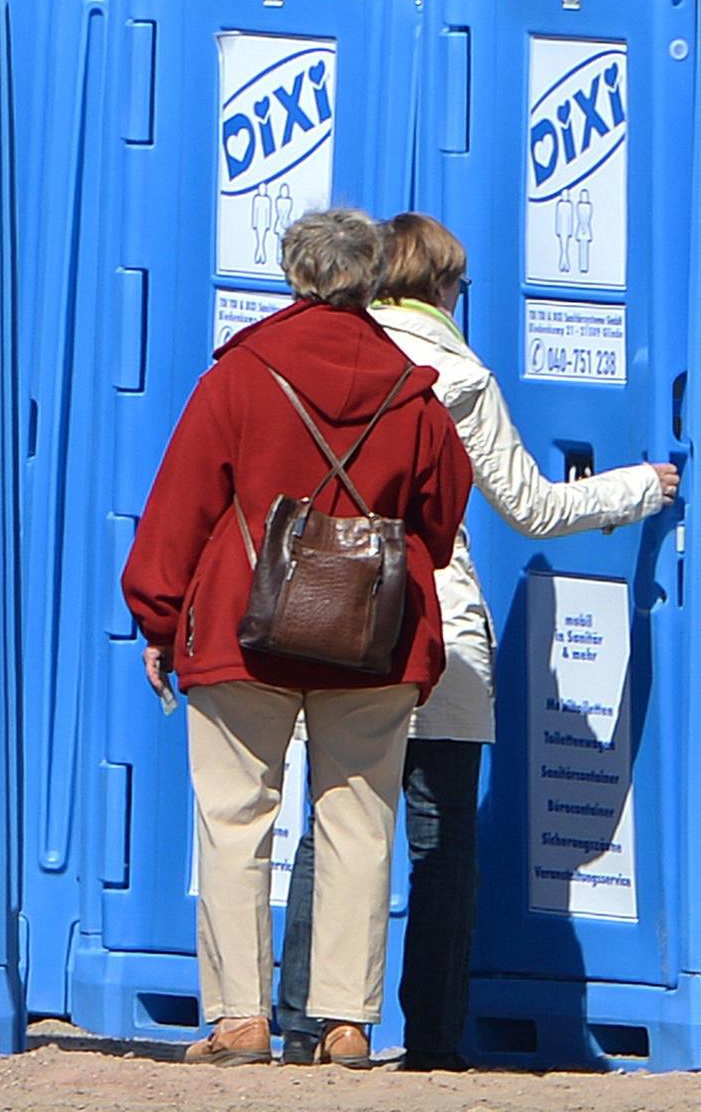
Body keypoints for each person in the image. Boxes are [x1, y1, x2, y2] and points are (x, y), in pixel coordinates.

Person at [276, 212, 677, 1071]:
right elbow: (532, 506)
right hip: (433, 625)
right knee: (443, 839)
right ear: (448, 288)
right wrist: (641, 488)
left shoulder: (324, 361)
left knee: (333, 827)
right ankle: (431, 1038)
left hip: (333, 623)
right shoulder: (456, 374)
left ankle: (306, 1024)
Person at [122, 209, 472, 1069]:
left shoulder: (241, 376)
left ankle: (241, 1018)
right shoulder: (415, 390)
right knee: (359, 820)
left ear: (294, 273)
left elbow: (180, 509)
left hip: (246, 631)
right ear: (371, 277)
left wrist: (159, 619)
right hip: (375, 640)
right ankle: (348, 1024)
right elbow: (438, 519)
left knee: (236, 817)